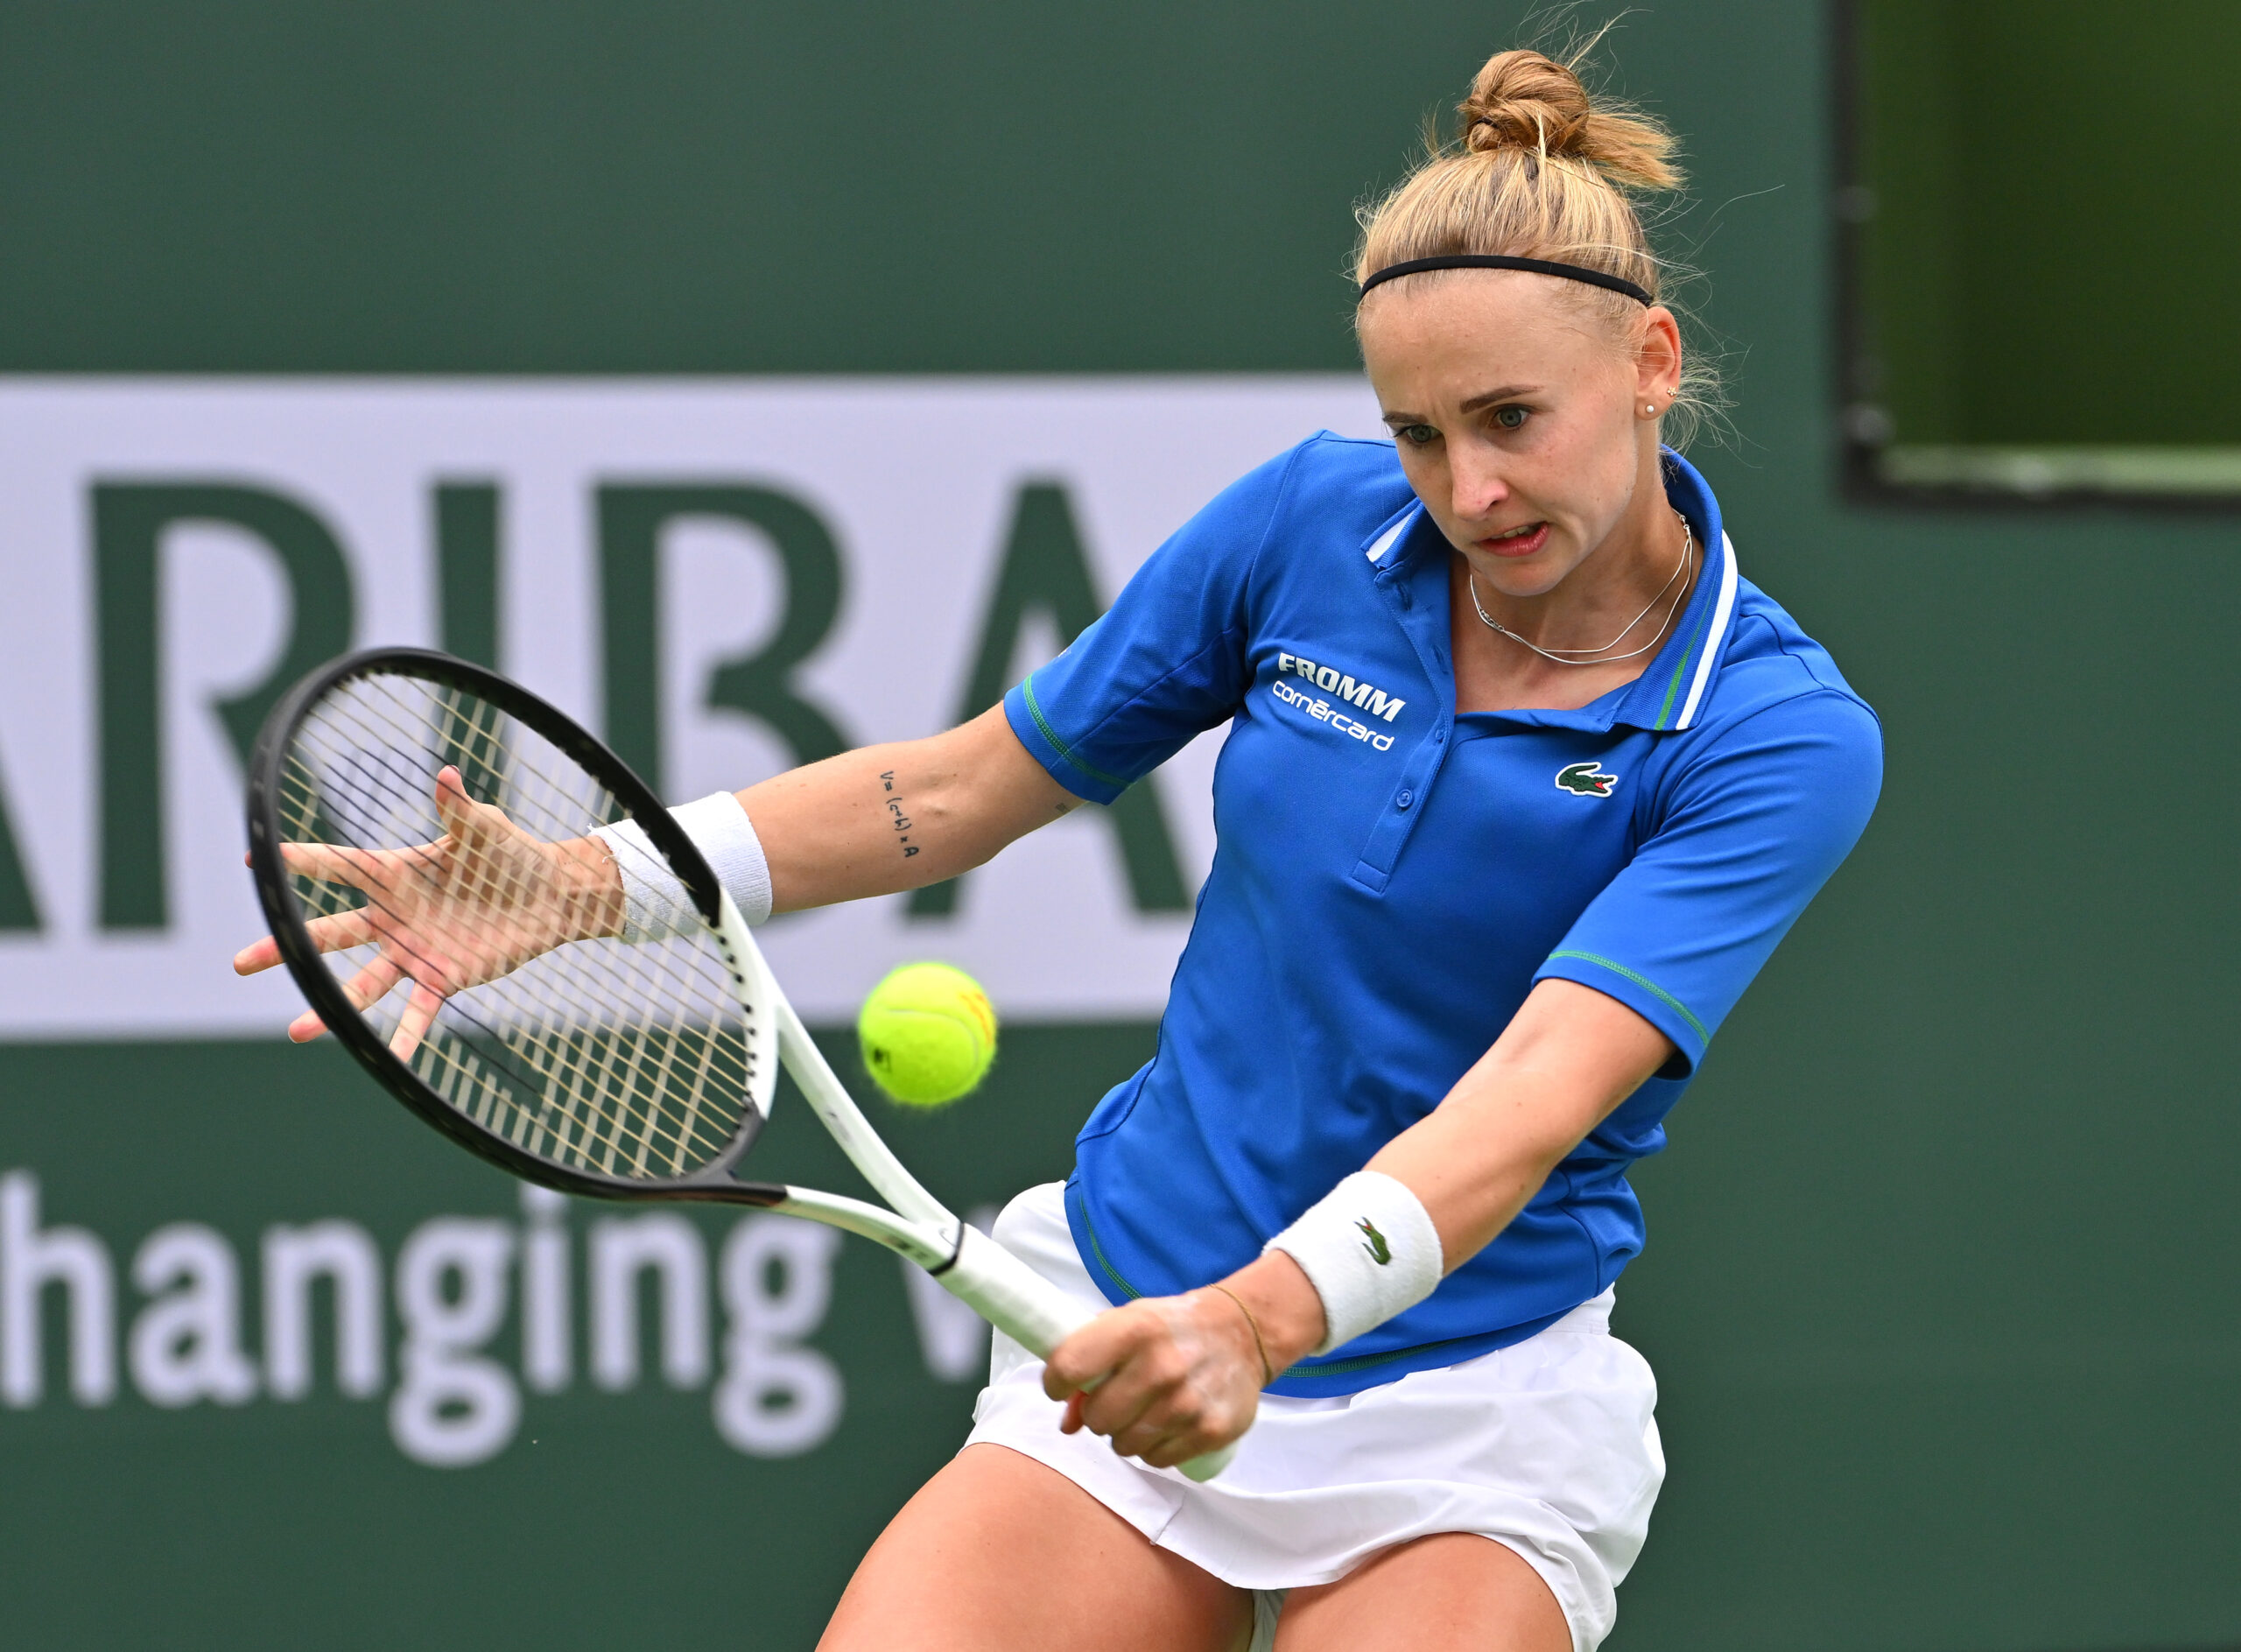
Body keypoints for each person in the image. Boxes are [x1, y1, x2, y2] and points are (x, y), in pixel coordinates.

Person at [238, 39, 1881, 1652]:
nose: (1469, 487)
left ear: (1652, 361)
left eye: (1513, 417)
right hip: (1129, 1288)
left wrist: (1260, 1321)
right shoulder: (1307, 526)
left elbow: (1531, 1098)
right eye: (1419, 433)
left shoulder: (1774, 734)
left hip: (1462, 1411)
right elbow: (960, 793)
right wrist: (594, 879)